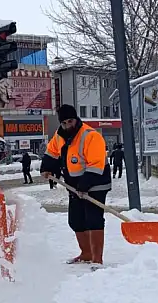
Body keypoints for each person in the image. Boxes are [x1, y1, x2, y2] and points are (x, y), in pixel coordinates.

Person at [41, 104, 112, 265]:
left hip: (96, 183)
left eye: (70, 121)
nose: (67, 125)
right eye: (64, 123)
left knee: (93, 219)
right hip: (74, 185)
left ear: (76, 119)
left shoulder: (90, 136)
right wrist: (47, 168)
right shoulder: (59, 136)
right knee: (76, 220)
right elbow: (51, 153)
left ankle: (96, 258)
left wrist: (85, 185)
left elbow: (96, 164)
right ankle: (86, 253)